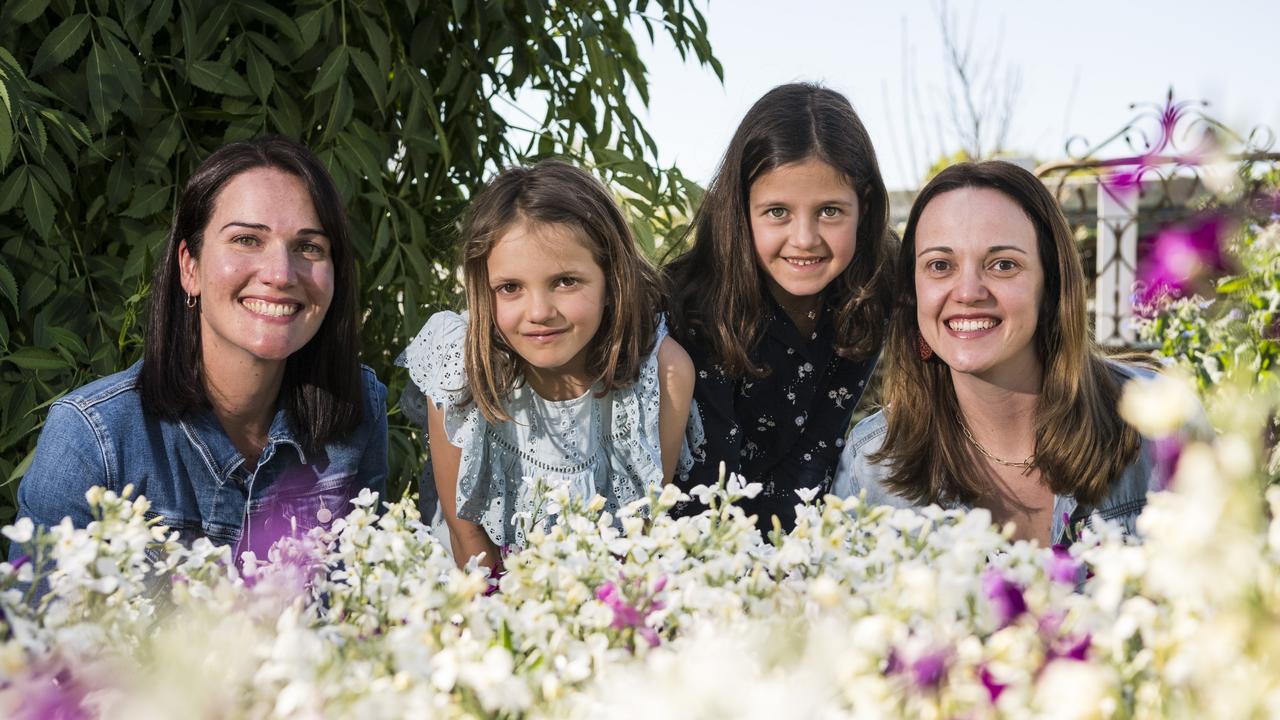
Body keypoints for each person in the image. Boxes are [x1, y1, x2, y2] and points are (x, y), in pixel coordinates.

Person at [11, 136, 388, 561]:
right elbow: (38, 623)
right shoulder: (92, 441)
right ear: (190, 267)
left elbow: (366, 608)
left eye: (308, 247)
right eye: (247, 239)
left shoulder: (358, 412)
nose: (281, 274)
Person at [834, 161, 1156, 545]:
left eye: (1003, 265)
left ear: (1050, 286)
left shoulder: (1155, 422)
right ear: (912, 292)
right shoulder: (872, 467)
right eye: (940, 265)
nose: (968, 292)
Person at [398, 160, 696, 569]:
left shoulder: (663, 374)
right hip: (482, 585)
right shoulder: (460, 362)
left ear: (612, 280)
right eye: (510, 288)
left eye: (565, 281)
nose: (539, 312)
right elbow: (465, 530)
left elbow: (643, 532)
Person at [665, 83, 896, 534]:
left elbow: (820, 448)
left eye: (830, 211)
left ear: (864, 208)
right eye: (777, 212)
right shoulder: (694, 309)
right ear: (741, 208)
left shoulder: (873, 291)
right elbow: (707, 480)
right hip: (701, 542)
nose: (805, 238)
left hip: (810, 537)